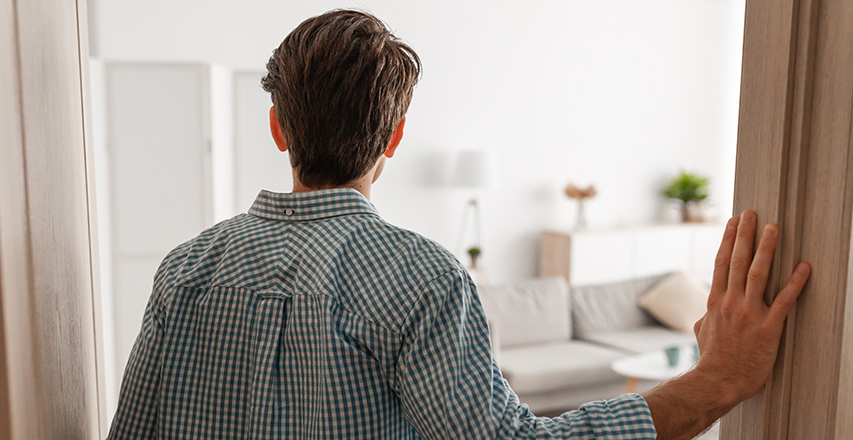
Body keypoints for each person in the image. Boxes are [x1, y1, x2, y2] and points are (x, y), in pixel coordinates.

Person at [107, 9, 812, 439]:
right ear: (394, 137)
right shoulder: (419, 278)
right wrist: (717, 379)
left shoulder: (185, 269)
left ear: (276, 127)